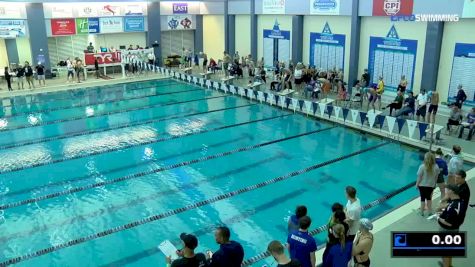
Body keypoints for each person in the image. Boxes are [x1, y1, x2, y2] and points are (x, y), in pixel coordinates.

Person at [438, 185, 466, 267]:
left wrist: (438, 218)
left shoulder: (453, 206)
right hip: (454, 229)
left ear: (451, 191)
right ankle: (448, 265)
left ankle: (446, 265)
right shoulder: (459, 202)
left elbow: (448, 223)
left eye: (447, 190)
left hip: (447, 230)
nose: (446, 192)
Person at [416, 152, 440, 216]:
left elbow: (419, 177)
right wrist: (434, 184)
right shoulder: (436, 167)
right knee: (429, 199)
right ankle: (429, 212)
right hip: (430, 185)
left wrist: (416, 184)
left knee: (422, 199)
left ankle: (421, 212)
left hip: (422, 185)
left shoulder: (422, 166)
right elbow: (436, 177)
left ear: (425, 158)